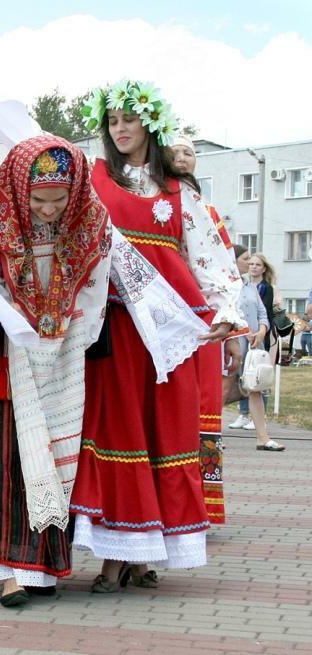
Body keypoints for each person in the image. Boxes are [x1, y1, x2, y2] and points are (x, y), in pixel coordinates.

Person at [72, 80, 242, 592]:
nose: (121, 130)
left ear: (150, 123)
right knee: (119, 433)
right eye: (113, 122)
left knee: (163, 435)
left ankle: (148, 553)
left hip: (168, 338)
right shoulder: (94, 180)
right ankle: (113, 554)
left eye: (129, 120)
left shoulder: (178, 191)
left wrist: (226, 315)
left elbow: (210, 258)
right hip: (117, 332)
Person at [0, 136, 111, 607]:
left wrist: (68, 333)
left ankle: (42, 569)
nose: (48, 210)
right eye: (39, 200)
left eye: (59, 200)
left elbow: (95, 289)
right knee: (3, 459)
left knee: (55, 455)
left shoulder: (91, 224)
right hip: (6, 359)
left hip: (64, 353)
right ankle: (7, 572)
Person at [168, 134, 230, 524]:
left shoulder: (208, 211)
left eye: (188, 152)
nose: (181, 158)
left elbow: (224, 270)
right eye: (173, 152)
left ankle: (202, 505)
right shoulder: (154, 202)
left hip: (202, 320)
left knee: (203, 409)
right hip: (165, 314)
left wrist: (233, 334)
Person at [232, 246, 285, 451]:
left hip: (254, 344)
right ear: (234, 261)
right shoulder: (226, 285)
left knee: (255, 387)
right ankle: (207, 434)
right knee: (226, 389)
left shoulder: (250, 285)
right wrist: (244, 329)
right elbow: (226, 311)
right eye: (246, 259)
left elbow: (263, 313)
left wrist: (262, 331)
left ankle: (263, 438)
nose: (249, 264)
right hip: (234, 342)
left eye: (253, 261)